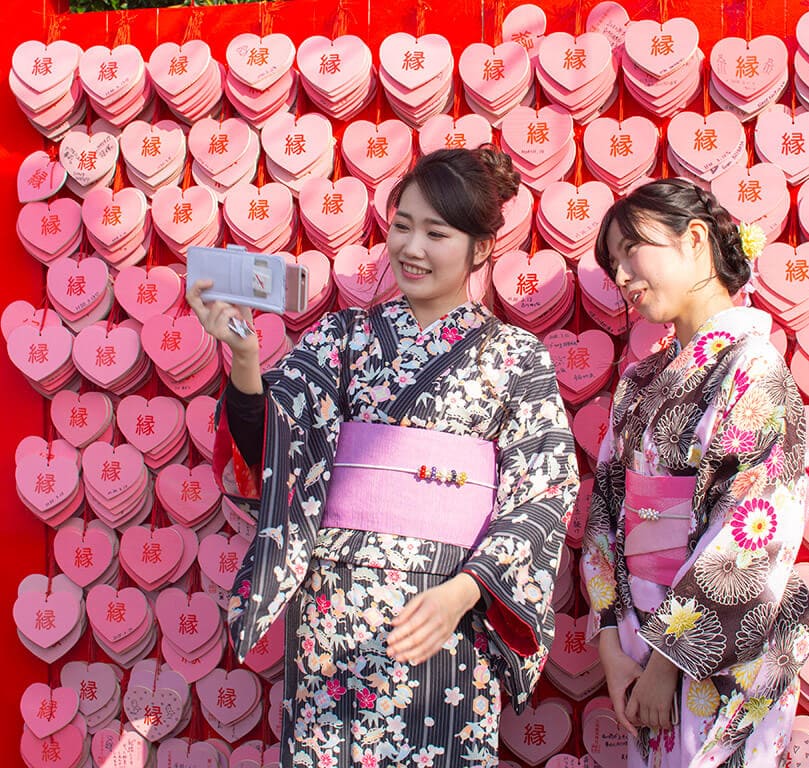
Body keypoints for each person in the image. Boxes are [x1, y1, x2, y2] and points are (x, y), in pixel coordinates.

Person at [186, 147, 578, 768]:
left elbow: (544, 490)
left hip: (444, 611)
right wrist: (243, 360)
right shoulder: (344, 339)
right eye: (402, 225)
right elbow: (271, 445)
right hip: (333, 604)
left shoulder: (516, 357)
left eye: (437, 232)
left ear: (480, 249)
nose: (412, 247)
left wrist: (469, 591)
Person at [581, 180, 809, 768]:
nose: (620, 277)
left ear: (694, 240)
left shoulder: (755, 369)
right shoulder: (643, 380)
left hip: (713, 654)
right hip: (641, 636)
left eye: (630, 252)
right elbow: (607, 511)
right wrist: (613, 644)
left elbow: (751, 531)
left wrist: (669, 664)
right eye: (611, 262)